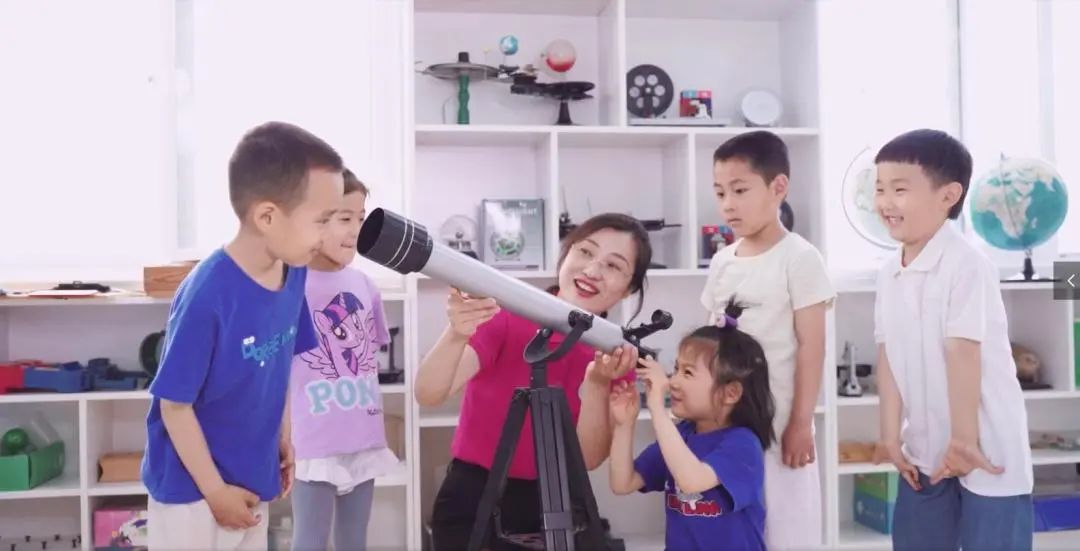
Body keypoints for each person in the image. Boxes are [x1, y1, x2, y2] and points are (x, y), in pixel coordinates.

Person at [141, 121, 344, 550]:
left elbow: (280, 363)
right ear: (267, 216)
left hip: (251, 477)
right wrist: (215, 493)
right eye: (322, 220)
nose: (330, 235)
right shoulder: (208, 294)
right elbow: (174, 406)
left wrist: (283, 435)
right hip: (191, 493)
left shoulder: (294, 272)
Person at [417, 213, 652, 551]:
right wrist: (456, 333)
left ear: (629, 288)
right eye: (585, 252)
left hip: (554, 502)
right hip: (471, 496)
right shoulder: (507, 317)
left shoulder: (614, 354)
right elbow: (428, 393)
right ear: (566, 254)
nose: (592, 270)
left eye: (613, 265)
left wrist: (598, 383)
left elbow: (587, 459)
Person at [870, 128, 1034, 551]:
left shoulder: (967, 264)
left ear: (948, 195)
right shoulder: (888, 273)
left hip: (985, 444)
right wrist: (890, 435)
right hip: (925, 448)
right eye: (880, 189)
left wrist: (963, 440)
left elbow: (962, 351)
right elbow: (888, 355)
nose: (886, 202)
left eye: (900, 189)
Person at [701, 130, 834, 548]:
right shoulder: (722, 261)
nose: (728, 204)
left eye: (740, 190)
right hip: (727, 426)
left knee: (786, 531)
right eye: (720, 192)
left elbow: (812, 347)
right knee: (735, 529)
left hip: (779, 426)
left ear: (778, 187)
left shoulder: (800, 258)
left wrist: (800, 424)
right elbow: (711, 345)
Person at [288, 169, 400, 551]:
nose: (355, 230)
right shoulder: (290, 288)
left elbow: (369, 352)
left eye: (360, 218)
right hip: (313, 441)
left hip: (363, 437)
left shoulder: (365, 285)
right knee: (309, 540)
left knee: (355, 540)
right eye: (344, 218)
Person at [609, 299, 774, 551]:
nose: (673, 381)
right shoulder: (681, 435)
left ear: (731, 393)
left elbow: (691, 480)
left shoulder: (743, 445)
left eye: (687, 373)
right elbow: (623, 483)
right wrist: (624, 424)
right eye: (676, 369)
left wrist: (657, 409)